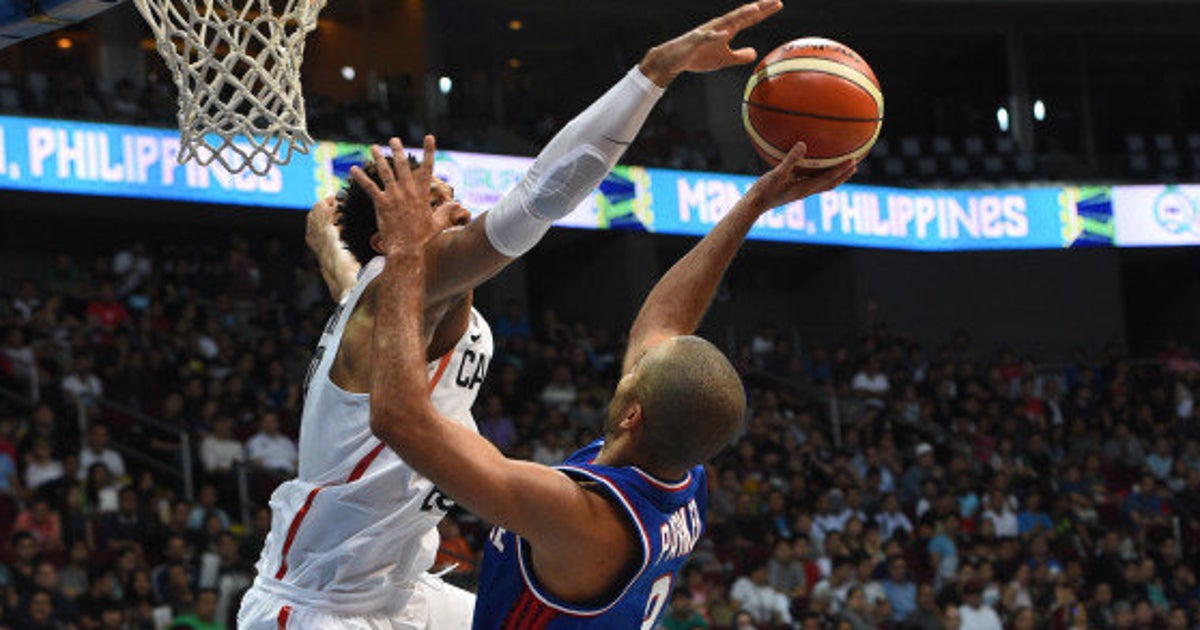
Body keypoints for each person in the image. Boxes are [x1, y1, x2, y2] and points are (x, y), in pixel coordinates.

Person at [237, 3, 796, 628]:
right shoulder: (402, 283)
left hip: (399, 588)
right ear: (393, 238)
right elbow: (539, 196)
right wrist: (652, 73)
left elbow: (356, 297)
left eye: (449, 194)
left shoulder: (398, 300)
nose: (452, 209)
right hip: (318, 601)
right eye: (430, 205)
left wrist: (330, 252)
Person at [362, 51, 855, 630]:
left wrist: (402, 254)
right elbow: (665, 323)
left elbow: (397, 418)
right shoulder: (683, 471)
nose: (634, 356)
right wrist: (754, 204)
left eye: (636, 370)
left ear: (633, 415)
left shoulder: (581, 518)